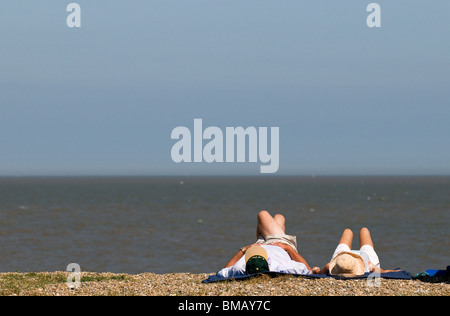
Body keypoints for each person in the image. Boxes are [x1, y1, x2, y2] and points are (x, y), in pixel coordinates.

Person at [216, 210, 314, 278]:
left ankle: (264, 236)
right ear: (269, 264)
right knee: (266, 215)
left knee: (277, 218)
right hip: (279, 245)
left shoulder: (241, 268)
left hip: (258, 245)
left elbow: (224, 271)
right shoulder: (281, 267)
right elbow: (308, 270)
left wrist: (244, 250)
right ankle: (267, 235)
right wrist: (288, 248)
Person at [313, 227, 401, 277]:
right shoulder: (368, 266)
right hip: (362, 257)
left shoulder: (331, 266)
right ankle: (361, 230)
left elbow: (320, 272)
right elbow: (384, 272)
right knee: (363, 230)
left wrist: (316, 271)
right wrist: (396, 272)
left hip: (342, 258)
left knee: (348, 231)